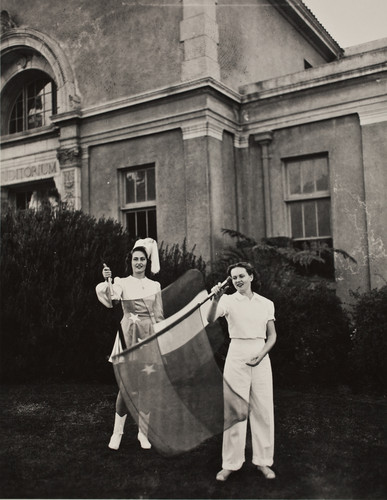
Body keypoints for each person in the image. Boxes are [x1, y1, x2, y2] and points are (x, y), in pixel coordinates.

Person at [207, 262, 277, 481]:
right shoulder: (227, 300)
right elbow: (210, 318)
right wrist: (215, 298)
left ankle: (263, 462)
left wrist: (262, 353)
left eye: (241, 276)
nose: (237, 280)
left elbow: (272, 335)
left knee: (263, 410)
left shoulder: (266, 303)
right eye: (234, 277)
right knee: (234, 410)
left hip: (261, 354)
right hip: (236, 354)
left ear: (251, 277)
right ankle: (230, 463)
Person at [95, 238, 164, 451]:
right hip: (128, 335)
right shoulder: (122, 282)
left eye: (142, 259)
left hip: (149, 337)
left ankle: (143, 434)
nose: (139, 262)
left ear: (147, 261)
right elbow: (112, 298)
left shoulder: (155, 285)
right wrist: (107, 280)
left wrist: (162, 341)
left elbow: (159, 315)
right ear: (130, 261)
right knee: (126, 388)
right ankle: (117, 433)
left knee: (147, 387)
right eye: (135, 259)